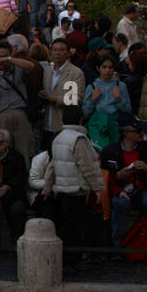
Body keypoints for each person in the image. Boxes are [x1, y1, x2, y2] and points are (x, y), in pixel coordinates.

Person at [43, 104, 105, 257]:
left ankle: (65, 259)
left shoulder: (57, 138)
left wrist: (48, 186)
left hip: (63, 189)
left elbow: (52, 165)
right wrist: (98, 188)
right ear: (81, 120)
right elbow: (87, 166)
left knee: (68, 223)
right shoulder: (79, 139)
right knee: (74, 226)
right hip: (77, 189)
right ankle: (69, 259)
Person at [101, 121, 147, 252]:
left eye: (142, 131)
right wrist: (119, 177)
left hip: (145, 189)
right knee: (119, 204)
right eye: (138, 131)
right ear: (126, 133)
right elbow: (104, 177)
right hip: (121, 191)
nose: (142, 134)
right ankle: (116, 247)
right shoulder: (110, 151)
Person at [39, 38, 85, 153]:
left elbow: (75, 98)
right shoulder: (47, 71)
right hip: (45, 123)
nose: (57, 53)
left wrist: (53, 99)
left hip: (63, 123)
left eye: (61, 50)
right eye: (54, 50)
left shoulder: (75, 73)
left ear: (68, 53)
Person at [82, 56, 131, 149]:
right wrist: (93, 99)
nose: (107, 70)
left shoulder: (120, 86)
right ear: (98, 68)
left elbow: (128, 110)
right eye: (104, 67)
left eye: (110, 67)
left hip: (115, 126)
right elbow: (85, 113)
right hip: (97, 127)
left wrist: (118, 99)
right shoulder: (92, 87)